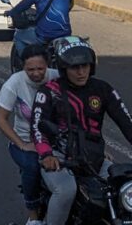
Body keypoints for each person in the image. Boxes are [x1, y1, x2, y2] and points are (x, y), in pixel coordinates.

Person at [31, 37, 132, 225]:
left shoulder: (103, 89)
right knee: (66, 191)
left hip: (94, 159)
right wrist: (46, 154)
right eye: (74, 67)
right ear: (63, 68)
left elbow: (126, 122)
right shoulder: (49, 91)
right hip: (60, 158)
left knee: (124, 189)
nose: (81, 72)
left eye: (85, 66)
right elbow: (37, 126)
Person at [0, 45, 59, 225]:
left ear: (48, 65)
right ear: (23, 67)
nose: (36, 73)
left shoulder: (58, 77)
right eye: (30, 69)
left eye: (40, 68)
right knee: (32, 166)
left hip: (56, 141)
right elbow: (0, 118)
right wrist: (22, 144)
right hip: (26, 141)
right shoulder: (14, 83)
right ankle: (33, 215)